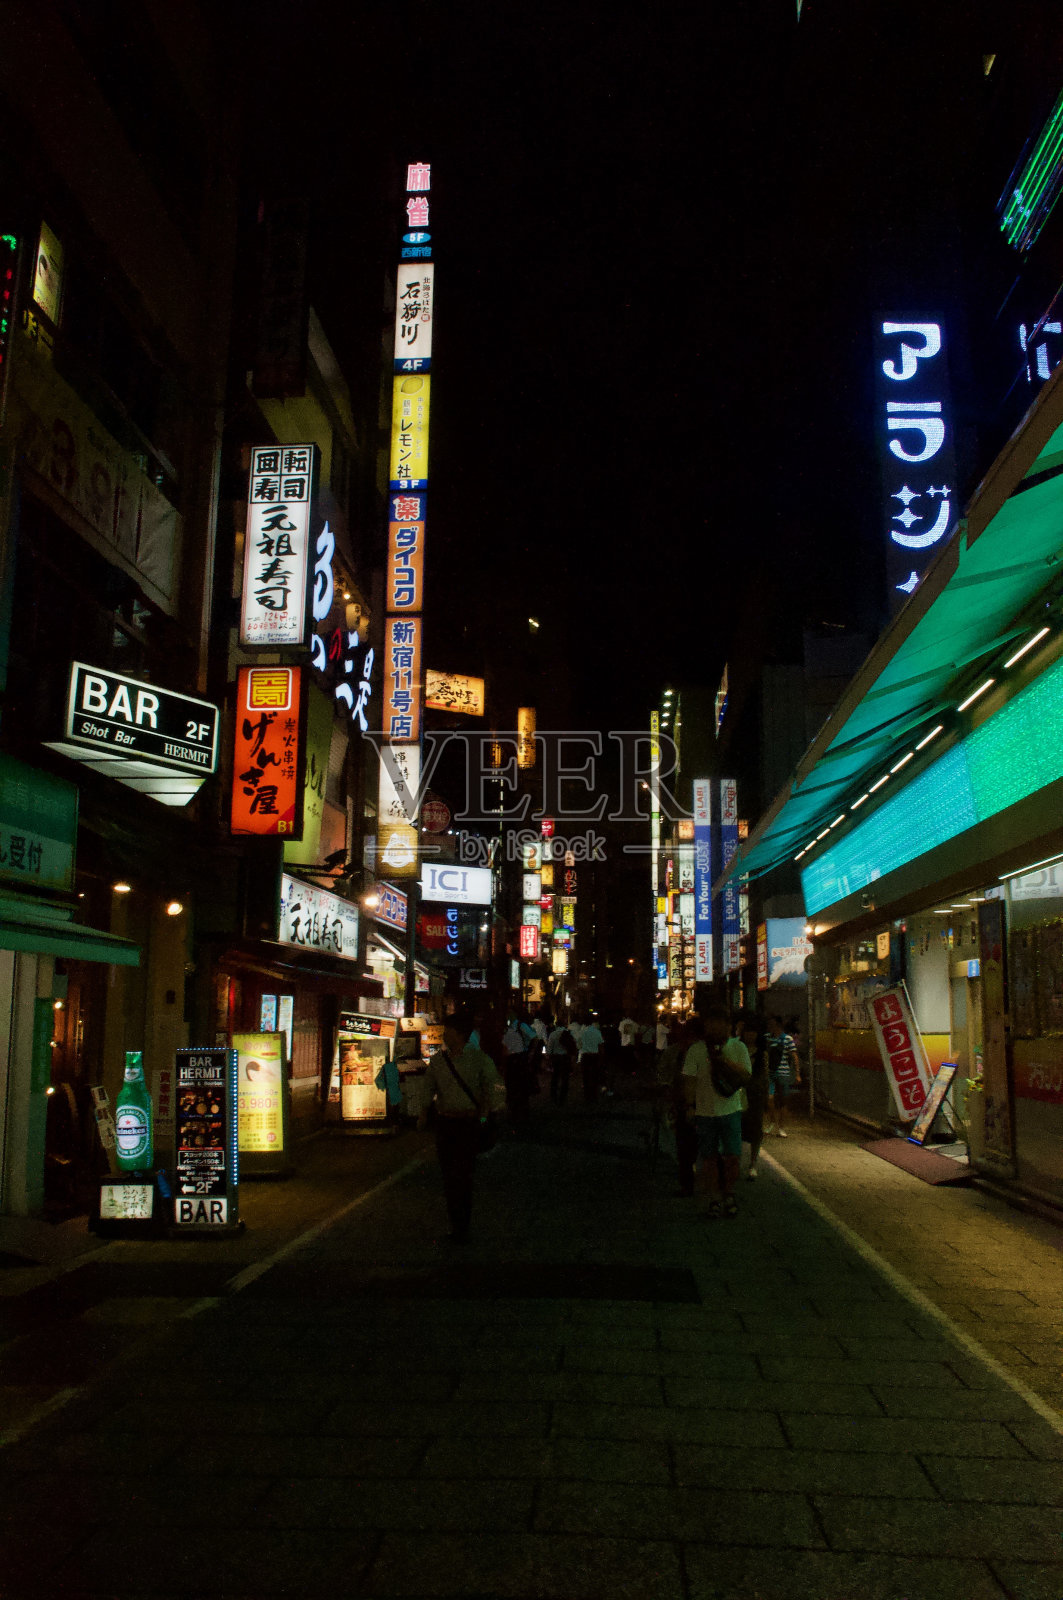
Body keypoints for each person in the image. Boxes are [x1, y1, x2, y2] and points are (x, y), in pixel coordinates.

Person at [417, 1009, 500, 1241]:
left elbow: (491, 1090)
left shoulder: (479, 1059)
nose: (444, 1035)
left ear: (461, 1034)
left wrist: (484, 1118)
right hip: (446, 1123)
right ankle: (456, 1224)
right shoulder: (438, 1062)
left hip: (468, 1124)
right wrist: (423, 1113)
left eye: (448, 1032)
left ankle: (461, 1225)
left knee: (462, 1176)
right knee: (448, 1176)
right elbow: (428, 1089)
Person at [682, 1004, 752, 1218]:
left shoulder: (738, 1048)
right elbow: (689, 1081)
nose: (715, 1027)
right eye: (711, 1023)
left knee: (732, 1157)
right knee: (709, 1158)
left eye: (720, 1023)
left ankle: (729, 1193)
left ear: (727, 1026)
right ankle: (714, 1198)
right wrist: (689, 1106)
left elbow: (746, 1075)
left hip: (731, 1111)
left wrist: (724, 1061)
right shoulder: (696, 1050)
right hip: (704, 1113)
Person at [739, 1011, 770, 1179]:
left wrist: (765, 1098)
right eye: (747, 1031)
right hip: (739, 1094)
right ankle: (736, 1161)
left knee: (756, 1130)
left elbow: (765, 1077)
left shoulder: (762, 1054)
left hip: (755, 1096)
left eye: (753, 1032)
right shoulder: (738, 1048)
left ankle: (753, 1163)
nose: (750, 1035)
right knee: (738, 1128)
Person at [767, 1015, 801, 1137]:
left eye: (772, 1024)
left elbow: (794, 1056)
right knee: (769, 1098)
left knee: (783, 1101)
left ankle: (781, 1127)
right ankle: (772, 1121)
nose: (770, 1027)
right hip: (770, 1073)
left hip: (783, 1073)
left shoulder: (787, 1039)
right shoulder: (768, 1038)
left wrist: (797, 1074)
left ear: (778, 1025)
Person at [547, 1019, 577, 1105]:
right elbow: (572, 1045)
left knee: (555, 1077)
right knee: (565, 1078)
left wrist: (549, 1058)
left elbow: (549, 1048)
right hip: (565, 1057)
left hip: (556, 1057)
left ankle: (554, 1096)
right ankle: (563, 1097)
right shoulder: (568, 1033)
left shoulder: (553, 1034)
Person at [577, 1012, 605, 1102]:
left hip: (585, 1056)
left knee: (585, 1076)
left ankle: (587, 1096)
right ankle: (594, 1095)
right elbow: (601, 1045)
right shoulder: (597, 1031)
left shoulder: (582, 1032)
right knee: (595, 1076)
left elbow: (579, 1045)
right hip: (595, 1056)